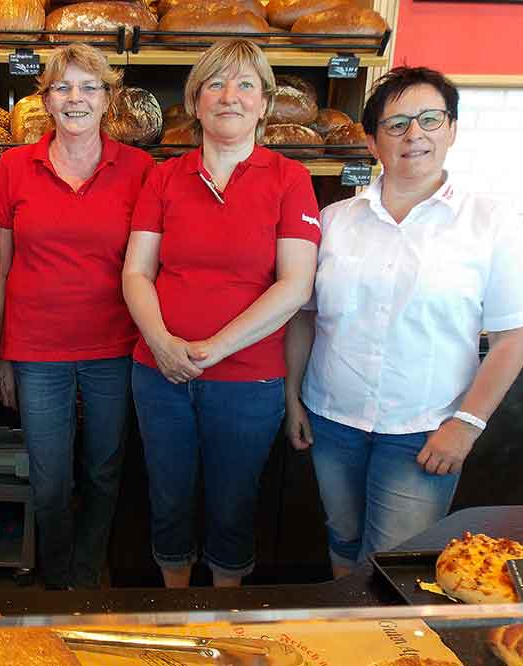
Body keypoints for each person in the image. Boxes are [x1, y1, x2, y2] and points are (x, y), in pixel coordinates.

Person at [283, 66, 523, 577]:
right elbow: (303, 319)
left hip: (424, 432)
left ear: (451, 130)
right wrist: (292, 398)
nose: (415, 135)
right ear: (371, 140)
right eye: (396, 125)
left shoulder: (489, 221)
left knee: (395, 564)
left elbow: (512, 337)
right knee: (342, 542)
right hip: (333, 421)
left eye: (430, 120)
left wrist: (467, 425)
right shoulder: (334, 221)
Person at [122, 39, 320, 588]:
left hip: (248, 378)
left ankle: (223, 614)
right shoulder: (165, 177)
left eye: (245, 85)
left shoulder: (289, 179)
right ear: (195, 101)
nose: (229, 96)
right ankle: (175, 612)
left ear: (264, 103)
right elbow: (137, 271)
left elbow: (295, 284)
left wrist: (215, 348)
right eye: (215, 83)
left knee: (234, 504)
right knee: (166, 497)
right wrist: (161, 341)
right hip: (158, 372)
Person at [0, 43, 154, 590]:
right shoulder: (15, 167)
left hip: (114, 347)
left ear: (108, 99)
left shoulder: (139, 170)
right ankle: (58, 578)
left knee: (105, 471)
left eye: (89, 87)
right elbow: (1, 267)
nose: (75, 98)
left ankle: (89, 571)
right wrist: (0, 356)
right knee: (50, 475)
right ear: (46, 99)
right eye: (63, 87)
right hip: (37, 352)